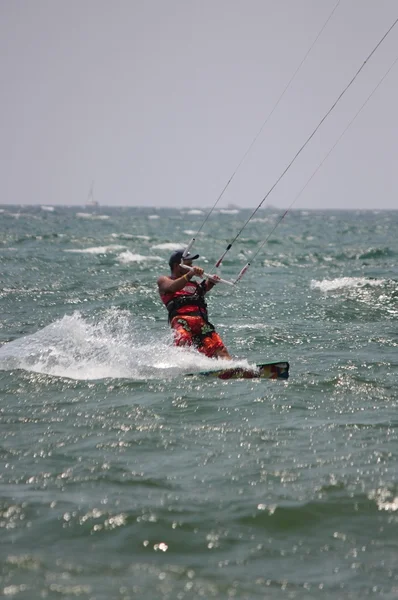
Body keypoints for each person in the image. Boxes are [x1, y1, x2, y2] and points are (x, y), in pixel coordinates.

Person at [157, 249, 231, 359]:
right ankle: (186, 367)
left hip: (200, 322)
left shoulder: (193, 283)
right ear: (178, 265)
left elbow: (201, 291)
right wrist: (190, 274)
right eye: (188, 265)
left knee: (220, 349)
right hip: (182, 321)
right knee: (184, 340)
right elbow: (172, 287)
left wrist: (211, 282)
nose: (192, 267)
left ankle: (232, 369)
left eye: (192, 265)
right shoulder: (164, 280)